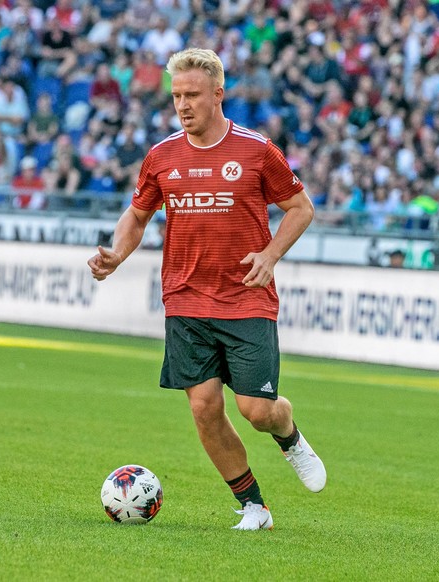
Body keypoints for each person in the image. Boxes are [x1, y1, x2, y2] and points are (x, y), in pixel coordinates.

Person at [87, 48, 325, 531]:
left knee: (257, 410)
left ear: (219, 94)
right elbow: (137, 215)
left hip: (246, 297)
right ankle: (254, 507)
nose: (183, 105)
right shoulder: (162, 156)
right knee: (203, 407)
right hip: (185, 299)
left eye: (192, 95)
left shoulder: (256, 150)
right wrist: (117, 253)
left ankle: (289, 435)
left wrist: (270, 254)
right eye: (176, 96)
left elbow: (300, 208)